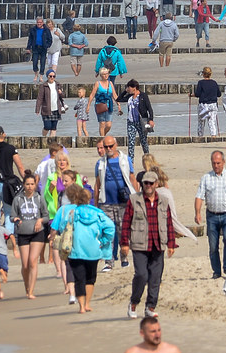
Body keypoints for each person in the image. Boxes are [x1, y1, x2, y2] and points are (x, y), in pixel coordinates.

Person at [49, 183, 115, 314]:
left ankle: (81, 307)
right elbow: (110, 227)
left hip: (76, 250)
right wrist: (102, 241)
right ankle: (88, 303)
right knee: (90, 278)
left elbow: (62, 228)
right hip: (94, 250)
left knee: (79, 278)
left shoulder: (72, 213)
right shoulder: (97, 213)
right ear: (89, 199)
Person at [121, 171, 176, 320]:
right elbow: (126, 223)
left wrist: (171, 244)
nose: (148, 186)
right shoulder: (134, 200)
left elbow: (169, 223)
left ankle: (150, 306)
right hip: (139, 245)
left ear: (156, 184)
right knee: (141, 275)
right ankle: (134, 303)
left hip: (158, 245)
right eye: (146, 183)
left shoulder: (164, 201)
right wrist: (124, 243)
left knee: (155, 278)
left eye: (151, 183)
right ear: (142, 184)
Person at [194, 151, 226, 279]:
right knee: (213, 245)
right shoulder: (206, 178)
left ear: (223, 162)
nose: (216, 166)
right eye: (214, 163)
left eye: (218, 163)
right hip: (212, 215)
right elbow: (199, 196)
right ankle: (216, 271)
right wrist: (197, 213)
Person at [94, 134, 135, 271]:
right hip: (106, 202)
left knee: (123, 231)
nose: (108, 148)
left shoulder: (125, 160)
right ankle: (109, 262)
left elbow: (132, 179)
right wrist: (95, 204)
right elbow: (97, 184)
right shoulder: (100, 163)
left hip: (123, 202)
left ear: (116, 145)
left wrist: (136, 197)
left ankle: (124, 258)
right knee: (107, 233)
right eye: (106, 147)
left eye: (111, 146)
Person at [9, 171, 49, 299]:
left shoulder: (39, 198)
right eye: (27, 184)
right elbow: (12, 216)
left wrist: (40, 220)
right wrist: (15, 220)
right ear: (24, 185)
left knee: (33, 261)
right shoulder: (18, 199)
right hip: (23, 233)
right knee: (25, 264)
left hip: (37, 233)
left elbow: (46, 216)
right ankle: (27, 287)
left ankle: (31, 291)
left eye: (32, 184)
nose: (30, 186)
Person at [118, 79, 153, 162]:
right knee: (131, 142)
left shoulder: (143, 96)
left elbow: (149, 108)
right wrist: (124, 91)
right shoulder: (129, 96)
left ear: (134, 88)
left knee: (143, 141)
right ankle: (131, 162)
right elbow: (118, 99)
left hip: (141, 122)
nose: (128, 89)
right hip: (131, 122)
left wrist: (151, 119)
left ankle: (147, 158)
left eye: (129, 87)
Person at [87, 68, 118, 137]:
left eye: (107, 74)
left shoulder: (110, 83)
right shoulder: (97, 83)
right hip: (100, 105)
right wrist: (88, 106)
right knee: (102, 123)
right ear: (101, 75)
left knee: (109, 125)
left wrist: (118, 104)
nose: (106, 75)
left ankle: (103, 135)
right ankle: (102, 139)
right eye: (104, 74)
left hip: (109, 105)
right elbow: (92, 94)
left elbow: (114, 95)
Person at [35, 70, 64, 138]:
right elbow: (40, 98)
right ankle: (43, 137)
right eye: (50, 76)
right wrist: (37, 109)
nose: (52, 77)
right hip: (46, 110)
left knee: (54, 127)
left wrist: (61, 93)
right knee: (47, 126)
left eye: (53, 76)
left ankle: (51, 142)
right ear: (47, 76)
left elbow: (63, 96)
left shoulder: (58, 84)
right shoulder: (44, 86)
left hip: (56, 109)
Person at [25, 16, 52, 81]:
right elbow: (30, 39)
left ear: (43, 22)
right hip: (35, 47)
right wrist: (28, 47)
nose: (39, 24)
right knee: (34, 62)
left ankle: (41, 76)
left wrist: (47, 45)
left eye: (40, 22)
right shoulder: (33, 29)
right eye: (38, 22)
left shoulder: (46, 30)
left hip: (43, 48)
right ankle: (36, 74)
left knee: (42, 62)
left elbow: (50, 39)